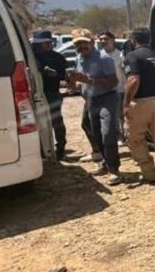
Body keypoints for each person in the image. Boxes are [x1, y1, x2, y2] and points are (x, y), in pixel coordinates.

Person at [68, 29, 122, 183]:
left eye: (84, 42)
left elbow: (113, 82)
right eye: (78, 44)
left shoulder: (104, 58)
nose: (81, 46)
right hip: (91, 100)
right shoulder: (79, 58)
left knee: (108, 133)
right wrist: (73, 84)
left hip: (107, 98)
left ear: (91, 42)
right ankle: (104, 163)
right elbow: (80, 79)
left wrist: (87, 80)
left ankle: (114, 170)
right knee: (97, 134)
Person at [123, 28, 155, 183]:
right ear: (149, 39)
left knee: (135, 139)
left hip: (141, 103)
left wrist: (126, 103)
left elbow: (133, 81)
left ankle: (149, 173)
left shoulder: (132, 56)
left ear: (133, 40)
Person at [30, 30, 68, 160]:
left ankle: (61, 148)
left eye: (47, 43)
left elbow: (65, 76)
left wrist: (55, 74)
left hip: (52, 93)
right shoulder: (31, 57)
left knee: (56, 121)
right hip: (35, 93)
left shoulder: (57, 57)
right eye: (42, 44)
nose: (45, 46)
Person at [99, 31, 127, 143]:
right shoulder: (99, 55)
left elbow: (125, 72)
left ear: (113, 40)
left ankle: (123, 137)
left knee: (120, 115)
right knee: (109, 116)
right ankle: (114, 136)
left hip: (119, 90)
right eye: (101, 39)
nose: (103, 41)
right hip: (104, 91)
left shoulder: (120, 55)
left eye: (105, 39)